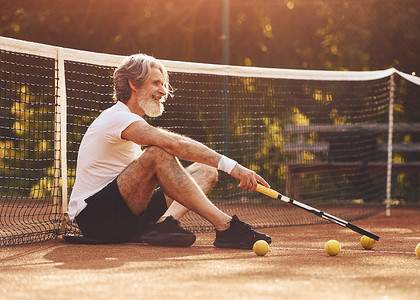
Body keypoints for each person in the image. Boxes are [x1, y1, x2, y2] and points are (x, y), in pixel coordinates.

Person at [68, 53, 271, 249]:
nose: (163, 91)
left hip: (127, 215)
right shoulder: (116, 117)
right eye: (156, 83)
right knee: (158, 153)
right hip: (97, 218)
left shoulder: (131, 121)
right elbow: (174, 144)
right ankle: (225, 226)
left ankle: (163, 224)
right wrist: (234, 168)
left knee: (206, 171)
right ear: (133, 83)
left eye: (163, 84)